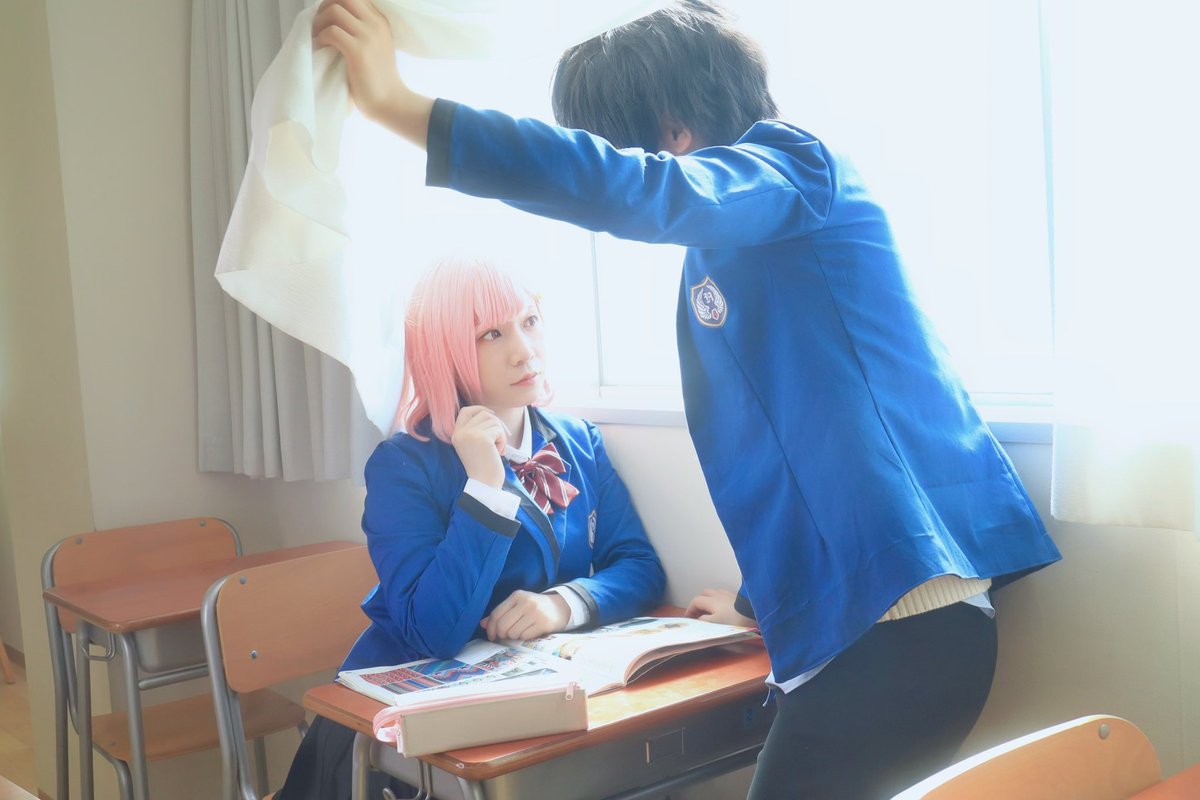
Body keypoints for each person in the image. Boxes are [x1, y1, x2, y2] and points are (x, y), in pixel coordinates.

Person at [312, 1, 1063, 796]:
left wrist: (401, 108)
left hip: (902, 616)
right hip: (870, 618)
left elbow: (644, 193)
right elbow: (801, 442)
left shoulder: (796, 167)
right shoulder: (744, 243)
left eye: (618, 146)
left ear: (671, 130)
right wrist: (759, 601)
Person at [276, 256, 666, 798]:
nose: (524, 350)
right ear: (445, 351)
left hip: (533, 708)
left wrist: (564, 604)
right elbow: (432, 632)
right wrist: (485, 487)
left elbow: (640, 566)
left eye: (530, 321)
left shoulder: (578, 441)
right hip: (401, 737)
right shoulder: (403, 465)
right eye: (491, 334)